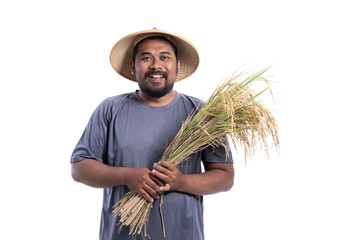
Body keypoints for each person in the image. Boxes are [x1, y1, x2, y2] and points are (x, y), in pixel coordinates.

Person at [71, 28, 234, 240]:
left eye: (164, 57)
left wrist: (180, 181)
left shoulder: (202, 114)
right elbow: (79, 168)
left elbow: (225, 177)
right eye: (146, 58)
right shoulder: (110, 109)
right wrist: (127, 176)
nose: (155, 65)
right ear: (132, 67)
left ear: (176, 66)